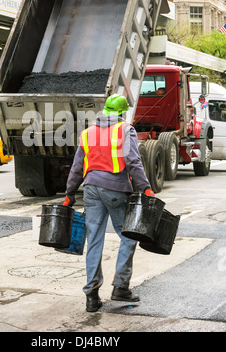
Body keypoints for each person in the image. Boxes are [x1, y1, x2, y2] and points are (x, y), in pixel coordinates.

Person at [63, 94, 154, 312]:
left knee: (94, 239)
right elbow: (133, 160)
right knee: (129, 236)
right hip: (115, 188)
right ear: (122, 112)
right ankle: (121, 287)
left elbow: (77, 167)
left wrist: (70, 193)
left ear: (104, 110)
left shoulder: (87, 133)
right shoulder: (125, 129)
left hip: (91, 189)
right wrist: (145, 188)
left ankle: (92, 296)